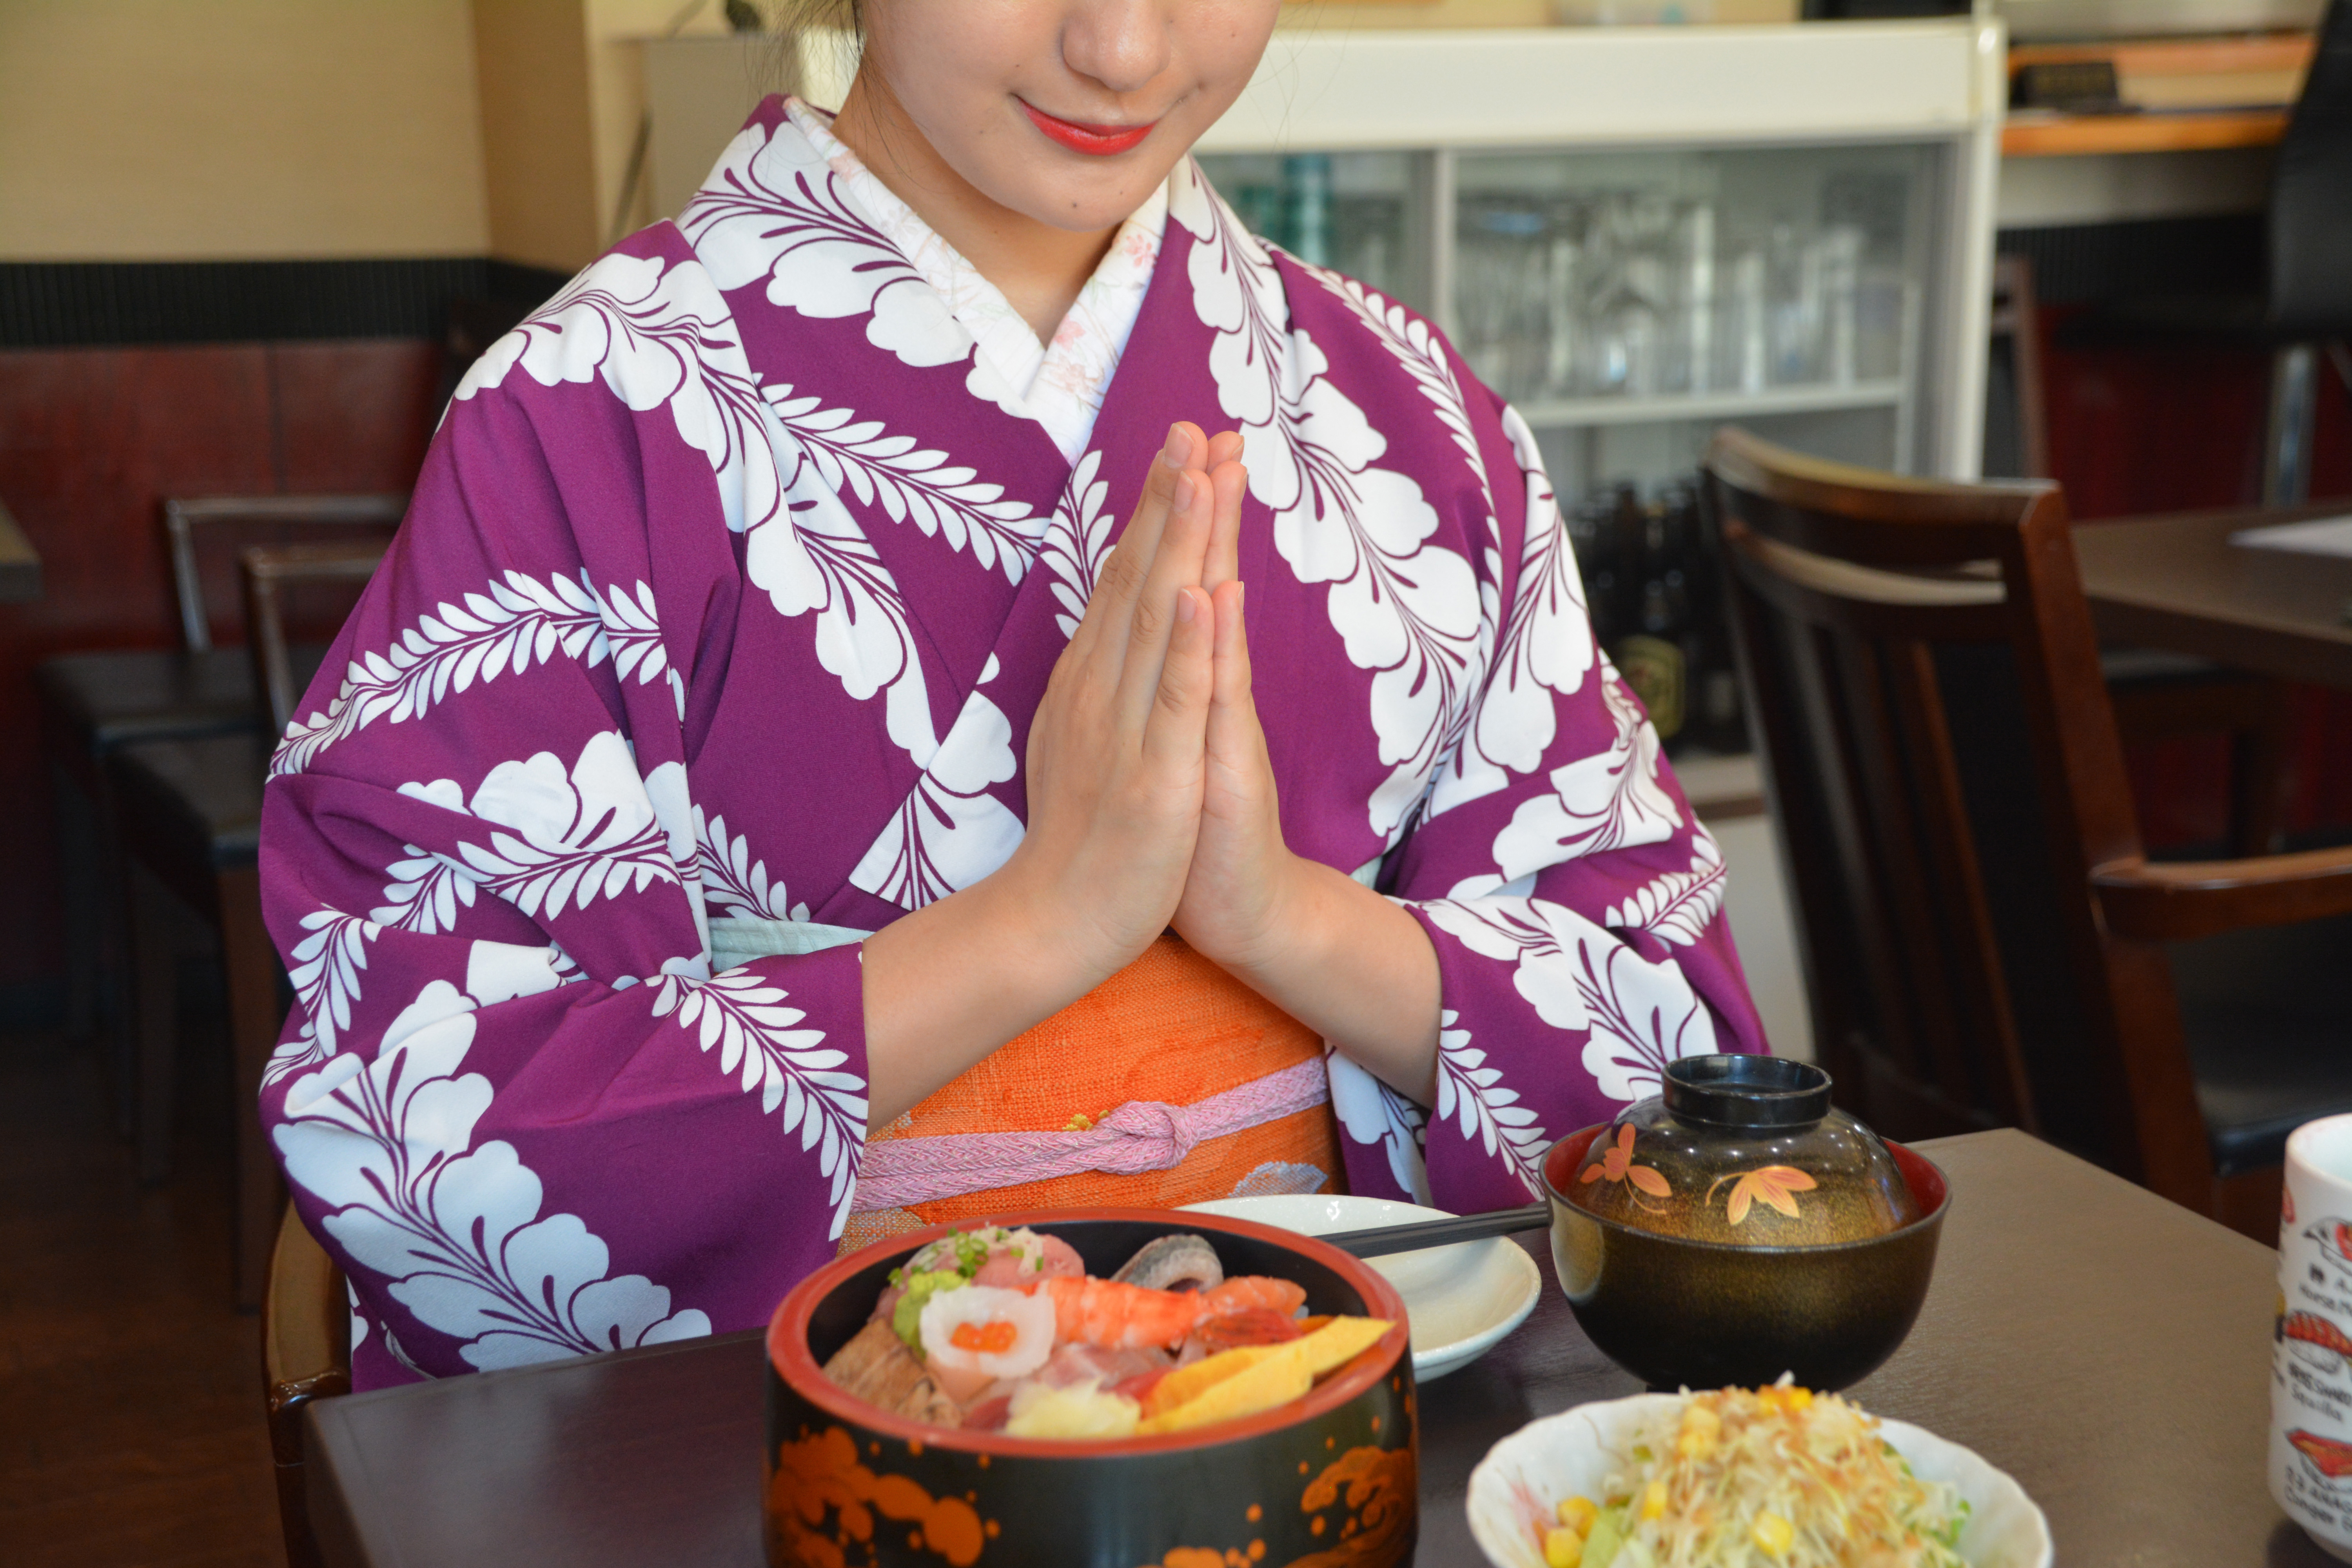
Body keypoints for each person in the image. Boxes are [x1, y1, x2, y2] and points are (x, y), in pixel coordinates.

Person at [260, 0, 1765, 1388]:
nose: (1120, 50)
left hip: (1331, 1423)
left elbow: (1684, 1078)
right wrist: (1043, 922)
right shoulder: (583, 416)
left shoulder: (1415, 419)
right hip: (800, 1455)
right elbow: (420, 1127)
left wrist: (1282, 920)